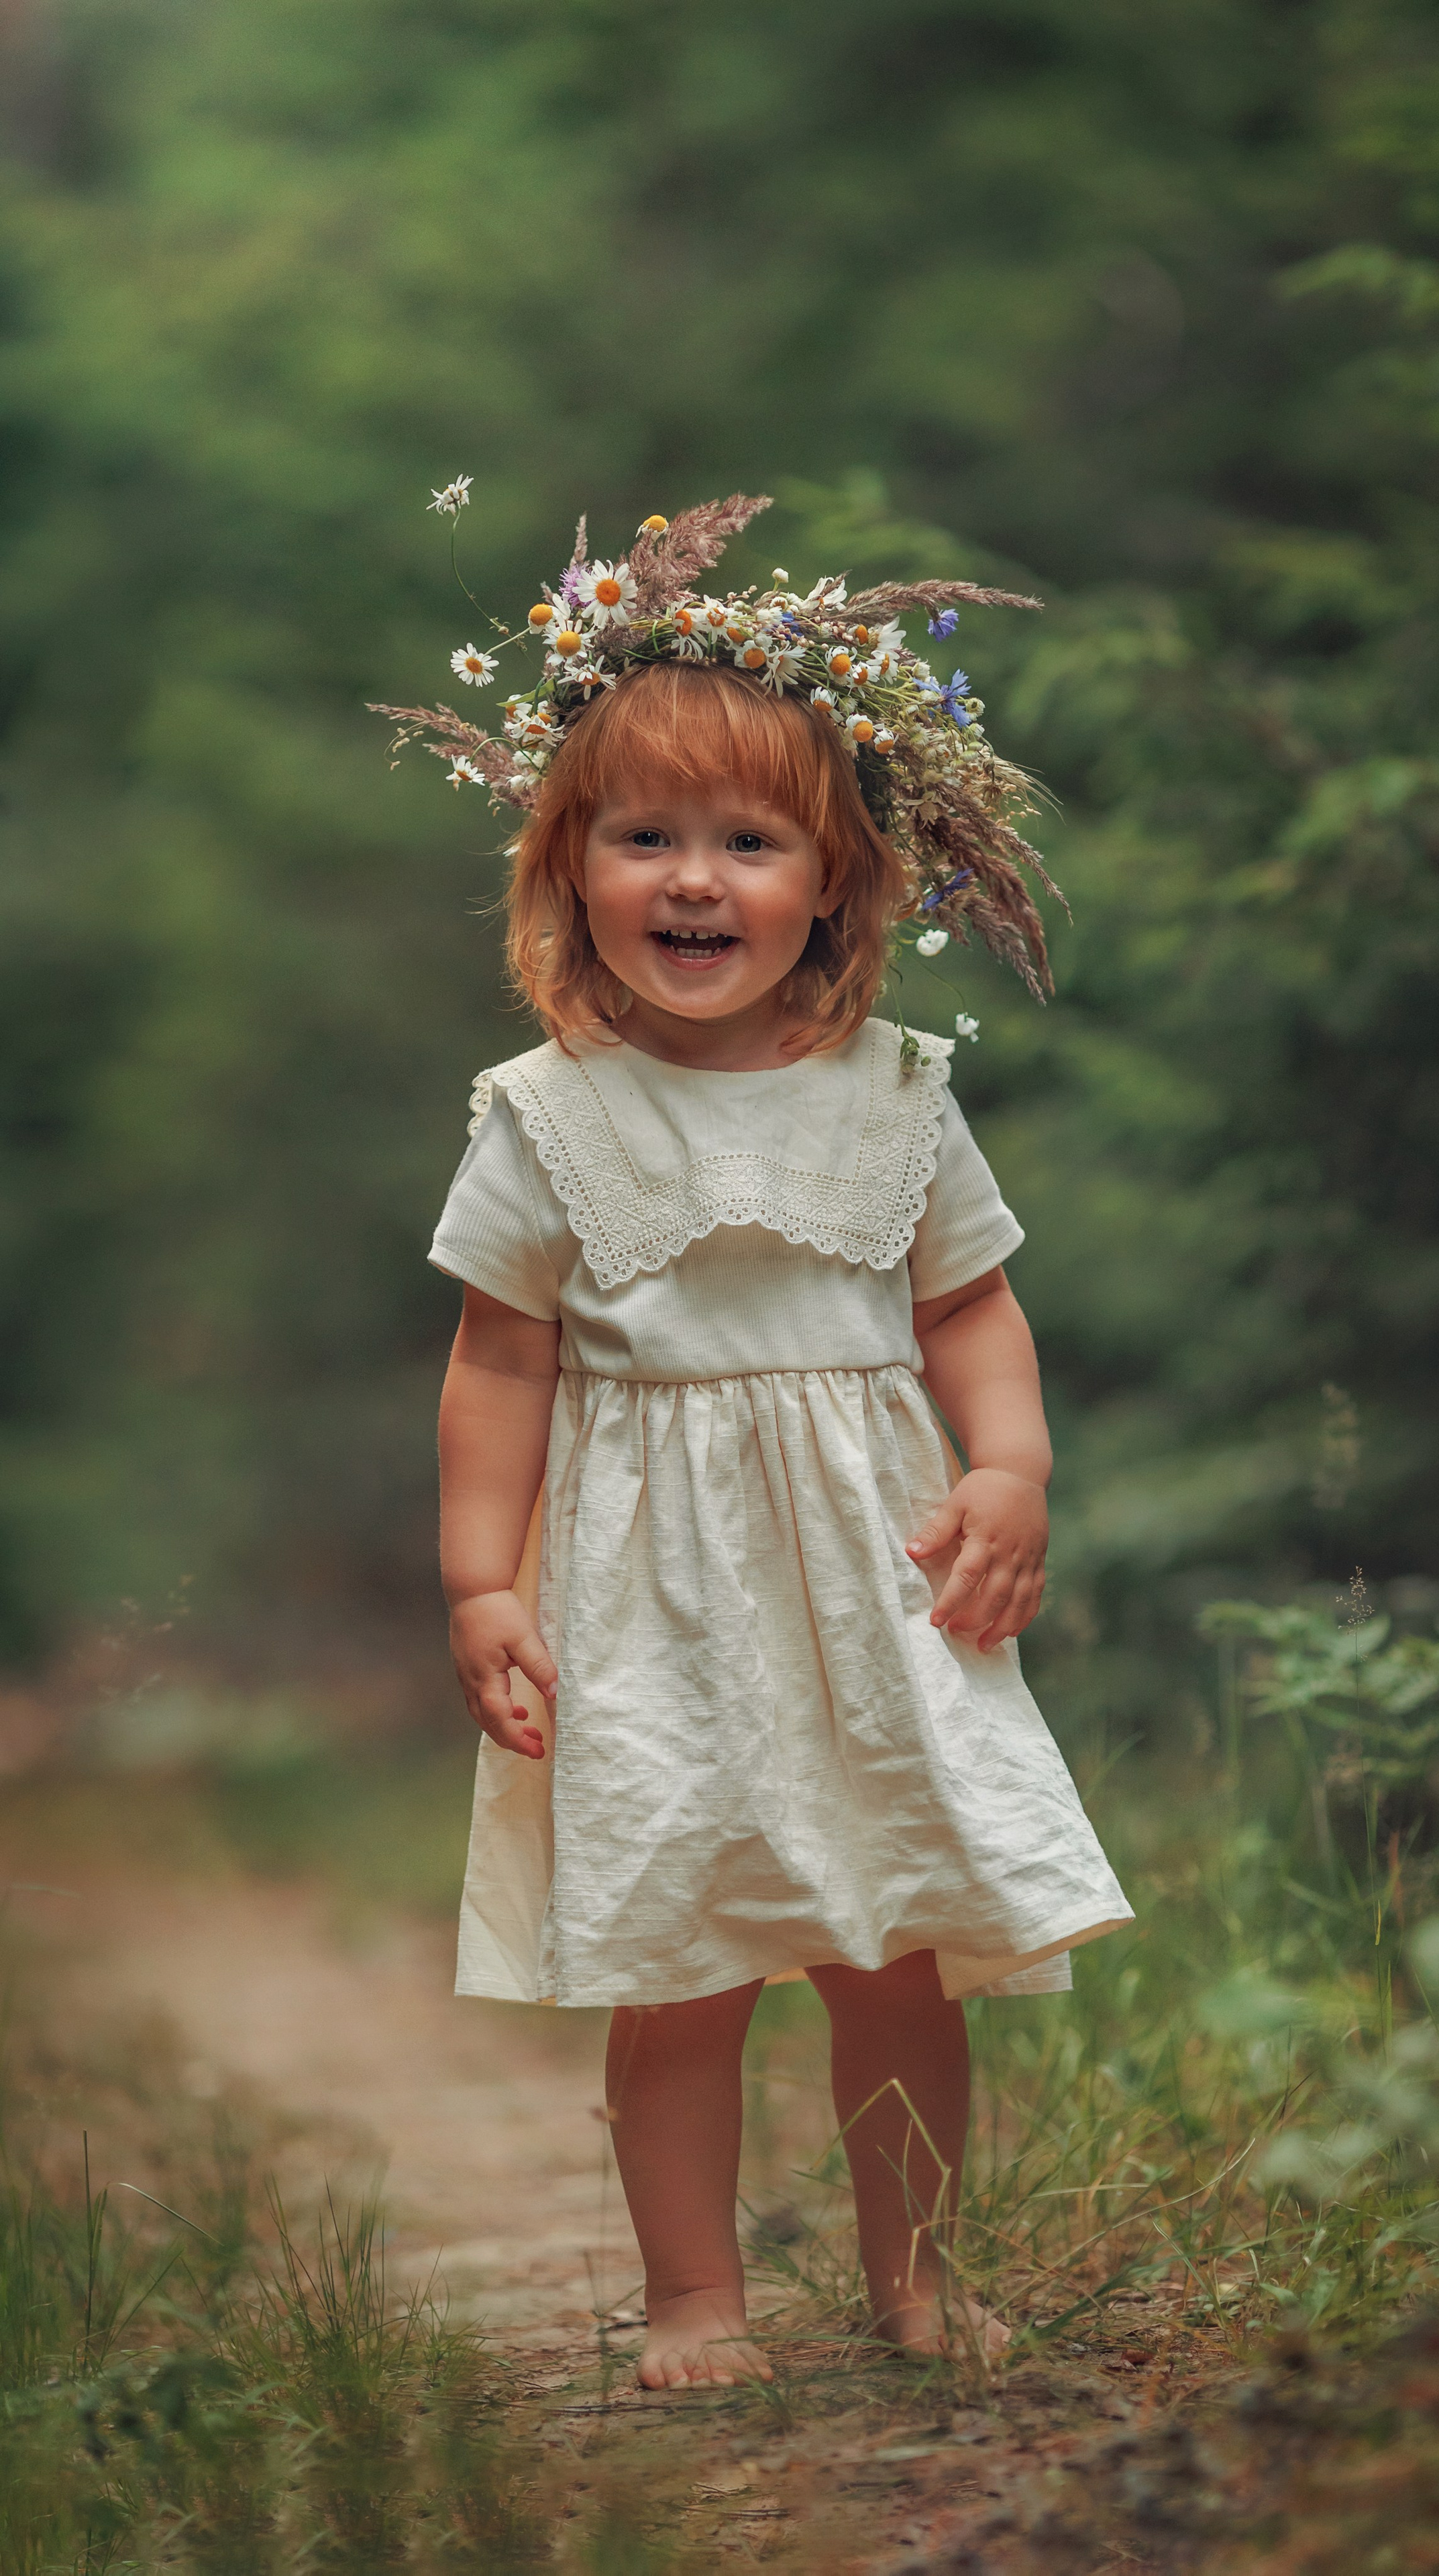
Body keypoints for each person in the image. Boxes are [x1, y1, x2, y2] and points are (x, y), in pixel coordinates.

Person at [408, 498, 1132, 2391]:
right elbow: (500, 1360)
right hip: (647, 1595)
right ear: (569, 868)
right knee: (680, 1950)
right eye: (644, 837)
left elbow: (969, 1307)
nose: (695, 880)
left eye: (750, 841)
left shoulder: (895, 1092)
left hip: (873, 1576)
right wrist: (482, 1579)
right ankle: (694, 2299)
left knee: (892, 1947)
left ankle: (918, 2282)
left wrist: (1011, 1471)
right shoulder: (548, 1114)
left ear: (837, 880)